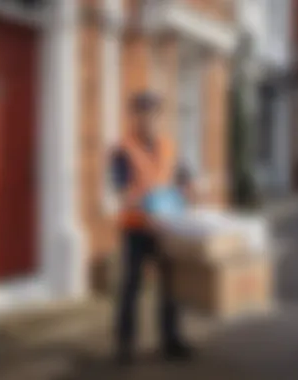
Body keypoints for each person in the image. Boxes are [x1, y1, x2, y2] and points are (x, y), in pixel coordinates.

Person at [111, 91, 193, 365]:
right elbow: (122, 190)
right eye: (143, 113)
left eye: (154, 114)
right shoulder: (123, 150)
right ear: (134, 116)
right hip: (136, 228)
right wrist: (145, 205)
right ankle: (125, 346)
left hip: (166, 229)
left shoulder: (168, 146)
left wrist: (185, 191)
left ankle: (171, 339)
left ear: (159, 117)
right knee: (132, 287)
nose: (148, 119)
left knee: (172, 286)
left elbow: (182, 179)